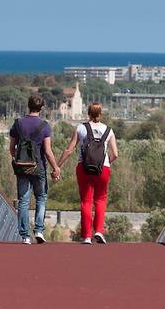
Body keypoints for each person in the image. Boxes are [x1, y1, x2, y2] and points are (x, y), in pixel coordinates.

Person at [57, 102, 118, 244]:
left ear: (88, 114)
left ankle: (87, 236)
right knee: (101, 199)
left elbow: (69, 149)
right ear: (101, 114)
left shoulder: (81, 128)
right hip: (103, 169)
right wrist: (105, 162)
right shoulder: (109, 130)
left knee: (86, 201)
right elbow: (115, 153)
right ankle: (98, 231)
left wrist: (57, 166)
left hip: (83, 168)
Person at [9, 94, 61, 245]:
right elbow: (48, 151)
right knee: (41, 198)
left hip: (22, 168)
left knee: (23, 201)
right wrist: (56, 168)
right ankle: (39, 230)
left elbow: (12, 149)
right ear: (42, 107)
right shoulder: (44, 126)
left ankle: (25, 236)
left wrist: (19, 159)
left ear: (28, 105)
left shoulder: (17, 124)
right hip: (39, 168)